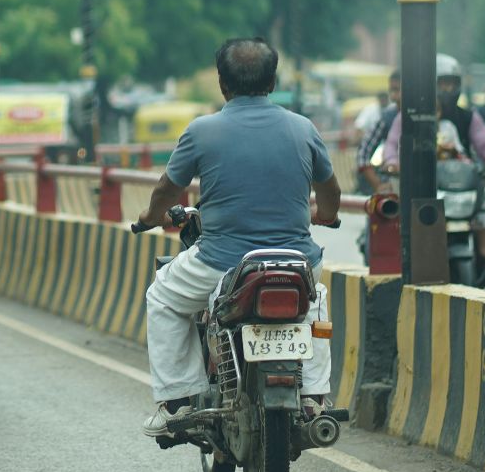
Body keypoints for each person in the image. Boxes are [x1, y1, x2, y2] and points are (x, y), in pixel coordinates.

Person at [136, 38, 341, 437]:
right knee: (315, 302)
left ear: (221, 83)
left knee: (161, 296)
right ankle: (315, 397)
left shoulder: (202, 130)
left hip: (222, 264)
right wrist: (324, 215)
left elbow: (167, 189)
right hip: (297, 261)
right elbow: (330, 191)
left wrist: (150, 216)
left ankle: (176, 400)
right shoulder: (303, 128)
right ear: (272, 80)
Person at [380, 56, 485, 178]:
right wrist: (392, 162)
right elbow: (392, 143)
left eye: (452, 84)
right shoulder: (410, 115)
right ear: (429, 84)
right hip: (417, 183)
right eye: (443, 84)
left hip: (461, 183)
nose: (448, 89)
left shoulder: (468, 116)